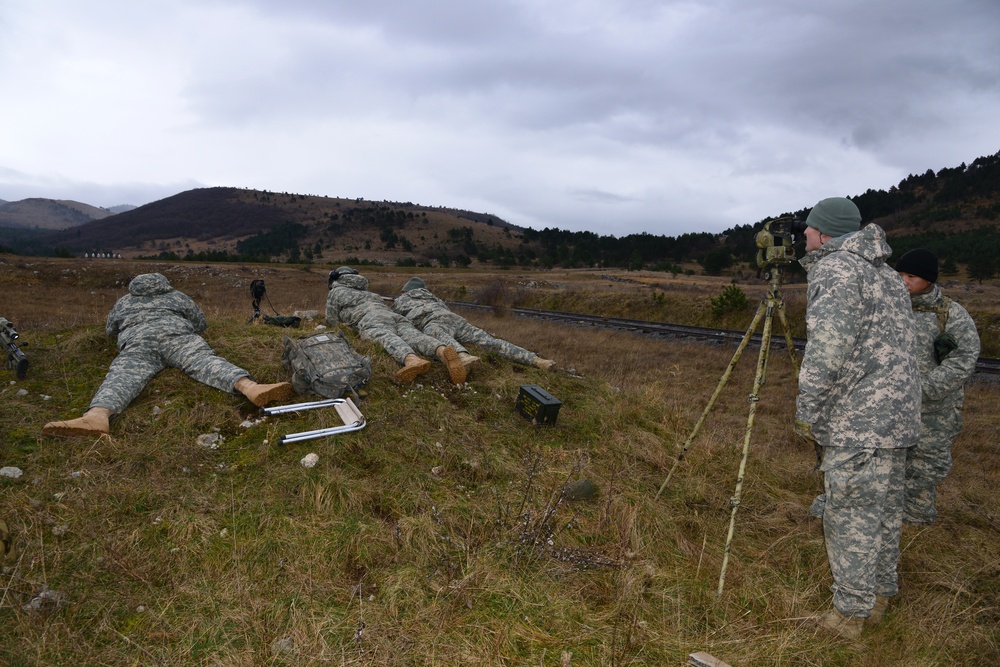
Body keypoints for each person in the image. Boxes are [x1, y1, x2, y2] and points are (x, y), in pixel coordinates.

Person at [793, 197, 921, 639]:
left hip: (859, 419)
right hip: (897, 418)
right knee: (883, 512)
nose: (804, 237)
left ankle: (849, 615)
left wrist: (807, 407)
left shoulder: (836, 270)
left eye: (808, 230)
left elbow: (827, 347)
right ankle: (880, 595)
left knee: (849, 515)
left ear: (825, 233)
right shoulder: (886, 275)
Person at [43, 273, 292, 438]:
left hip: (140, 341)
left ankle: (96, 416)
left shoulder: (123, 302)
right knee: (205, 361)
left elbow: (111, 330)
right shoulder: (176, 297)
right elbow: (200, 322)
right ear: (163, 283)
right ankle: (250, 387)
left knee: (122, 375)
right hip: (178, 337)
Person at [893, 248, 980, 525]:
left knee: (926, 465)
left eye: (911, 276)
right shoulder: (888, 308)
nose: (903, 281)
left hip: (934, 409)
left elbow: (963, 359)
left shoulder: (950, 314)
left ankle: (916, 518)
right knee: (887, 463)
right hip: (890, 406)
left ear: (928, 280)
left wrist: (925, 390)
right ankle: (886, 513)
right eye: (899, 274)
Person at [325, 267, 466, 384]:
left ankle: (411, 360)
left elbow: (332, 321)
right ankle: (441, 351)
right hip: (393, 316)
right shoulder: (370, 293)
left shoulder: (336, 292)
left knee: (385, 335)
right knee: (414, 335)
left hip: (370, 318)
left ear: (336, 279)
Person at [392, 277, 556, 370]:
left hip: (433, 321)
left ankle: (463, 356)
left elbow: (396, 319)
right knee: (491, 342)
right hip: (456, 319)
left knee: (441, 336)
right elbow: (445, 309)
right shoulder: (433, 297)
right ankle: (537, 361)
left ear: (406, 291)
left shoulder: (402, 299)